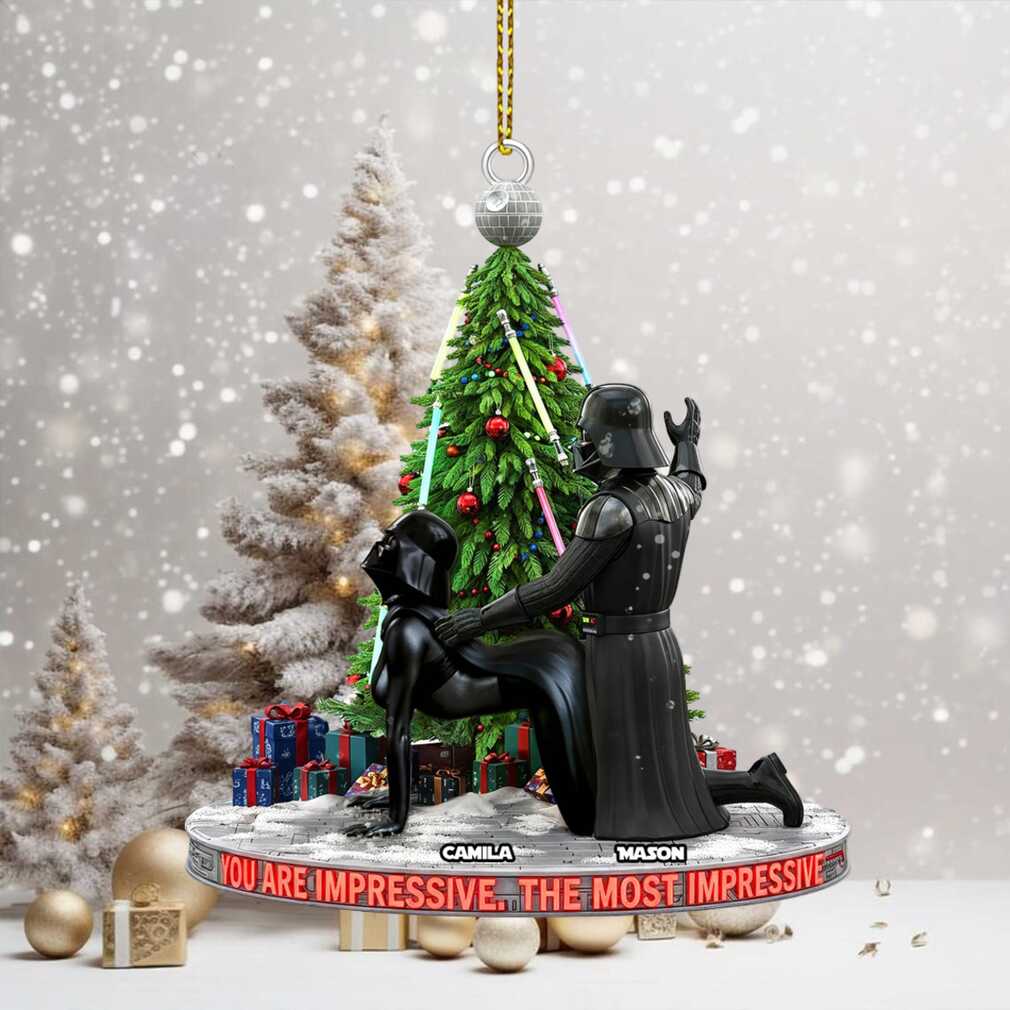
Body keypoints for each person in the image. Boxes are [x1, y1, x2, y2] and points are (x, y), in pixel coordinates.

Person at [436, 384, 803, 840]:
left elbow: (556, 588)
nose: (580, 443)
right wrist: (687, 443)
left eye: (586, 433)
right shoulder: (672, 494)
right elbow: (692, 484)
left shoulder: (609, 510)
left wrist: (480, 618)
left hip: (617, 651)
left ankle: (747, 787)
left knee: (638, 772)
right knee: (662, 765)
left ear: (607, 439)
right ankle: (759, 782)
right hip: (658, 645)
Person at [348, 509, 597, 837]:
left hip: (522, 681)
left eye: (391, 540)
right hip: (512, 677)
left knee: (583, 816)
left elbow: (399, 728)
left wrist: (396, 818)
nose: (380, 546)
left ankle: (586, 809)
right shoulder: (408, 617)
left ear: (413, 559)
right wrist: (393, 798)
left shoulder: (407, 629)